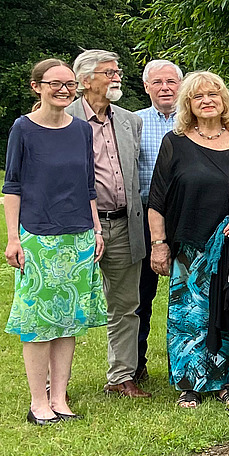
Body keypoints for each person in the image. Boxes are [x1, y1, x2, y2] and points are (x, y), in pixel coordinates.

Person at [147, 71, 229, 408]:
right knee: (190, 317)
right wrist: (159, 245)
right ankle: (190, 383)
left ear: (224, 100)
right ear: (188, 103)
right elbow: (156, 200)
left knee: (228, 311)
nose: (206, 101)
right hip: (189, 246)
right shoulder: (176, 141)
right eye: (198, 96)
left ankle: (225, 382)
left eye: (213, 95)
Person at [5, 58, 107, 425]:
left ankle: (60, 399)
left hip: (77, 236)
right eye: (55, 84)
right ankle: (38, 403)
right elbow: (12, 185)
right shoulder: (23, 129)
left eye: (70, 84)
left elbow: (88, 185)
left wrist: (96, 230)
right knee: (36, 322)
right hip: (37, 237)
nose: (64, 90)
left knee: (67, 321)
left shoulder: (81, 130)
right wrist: (13, 238)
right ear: (37, 87)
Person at [67, 49, 149, 399]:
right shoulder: (61, 118)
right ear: (85, 81)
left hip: (123, 225)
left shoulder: (131, 120)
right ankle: (53, 385)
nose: (116, 77)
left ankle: (121, 376)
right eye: (108, 72)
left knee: (125, 306)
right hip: (75, 228)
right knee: (64, 305)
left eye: (117, 71)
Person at [134, 59, 183, 383]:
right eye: (158, 82)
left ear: (181, 86)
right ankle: (134, 366)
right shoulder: (133, 122)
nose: (165, 88)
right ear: (146, 87)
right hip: (143, 213)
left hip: (187, 214)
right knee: (139, 296)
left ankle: (186, 363)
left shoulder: (194, 121)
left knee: (190, 294)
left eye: (171, 81)